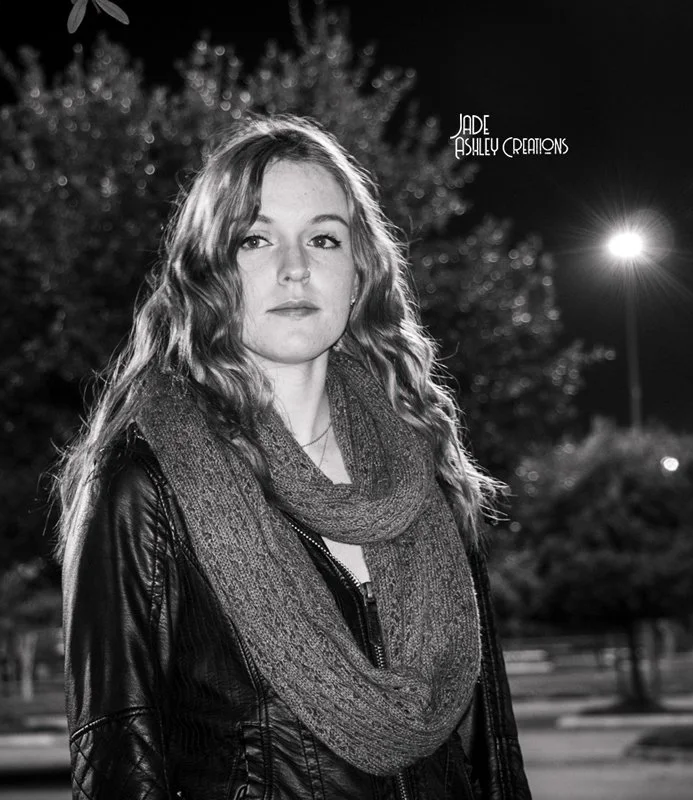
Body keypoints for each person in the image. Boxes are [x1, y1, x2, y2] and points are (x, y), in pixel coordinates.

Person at [54, 114, 531, 800]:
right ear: (208, 269)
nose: (295, 267)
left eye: (323, 238)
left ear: (359, 271)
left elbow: (493, 747)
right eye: (255, 238)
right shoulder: (141, 483)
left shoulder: (426, 472)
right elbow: (119, 759)